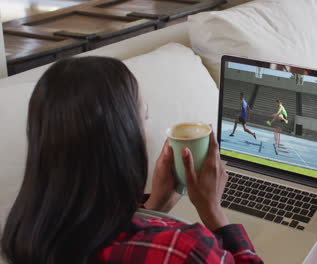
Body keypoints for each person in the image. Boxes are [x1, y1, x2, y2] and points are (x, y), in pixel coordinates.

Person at [0, 57, 263, 264]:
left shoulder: (23, 234)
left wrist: (154, 206)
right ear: (122, 139)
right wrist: (213, 210)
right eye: (143, 117)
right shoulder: (184, 249)